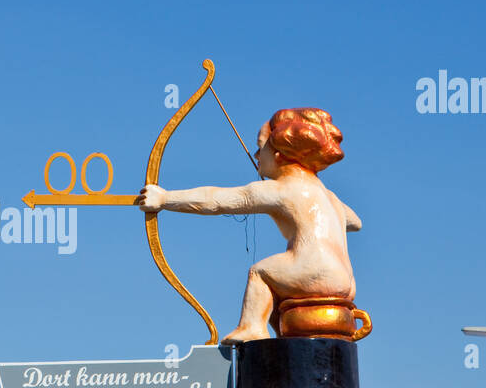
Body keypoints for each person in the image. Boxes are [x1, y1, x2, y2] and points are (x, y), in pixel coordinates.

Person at [136, 107, 361, 345]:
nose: (256, 155)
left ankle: (252, 327)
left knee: (261, 273)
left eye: (260, 147)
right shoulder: (330, 197)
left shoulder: (282, 189)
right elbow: (355, 222)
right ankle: (279, 338)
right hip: (346, 282)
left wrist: (164, 199)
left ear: (278, 154)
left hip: (315, 272)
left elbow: (216, 200)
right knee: (278, 290)